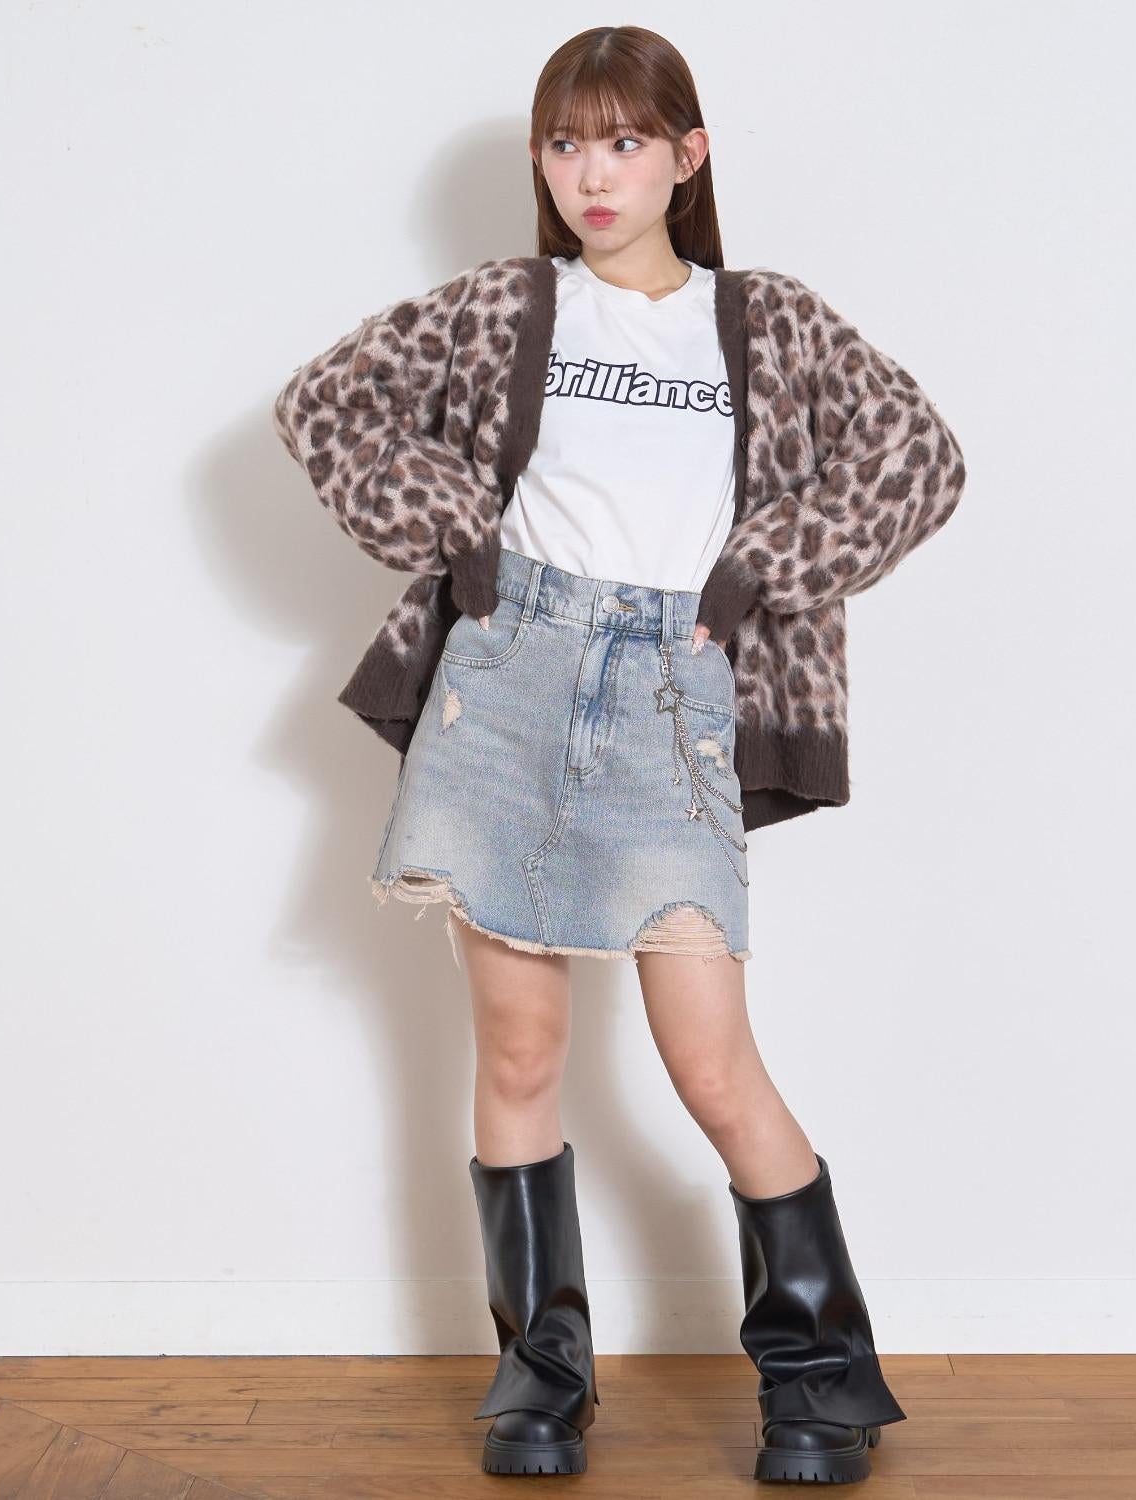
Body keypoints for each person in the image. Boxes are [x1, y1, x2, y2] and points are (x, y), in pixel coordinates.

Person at [272, 24, 966, 1486]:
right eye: (567, 144)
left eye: (626, 142)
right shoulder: (506, 306)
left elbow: (918, 456)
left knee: (711, 1062)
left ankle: (821, 1381)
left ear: (686, 157)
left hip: (671, 690)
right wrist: (456, 528)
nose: (594, 174)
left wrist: (759, 567)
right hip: (507, 682)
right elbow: (324, 403)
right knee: (522, 1047)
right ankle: (541, 1379)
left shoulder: (765, 322)